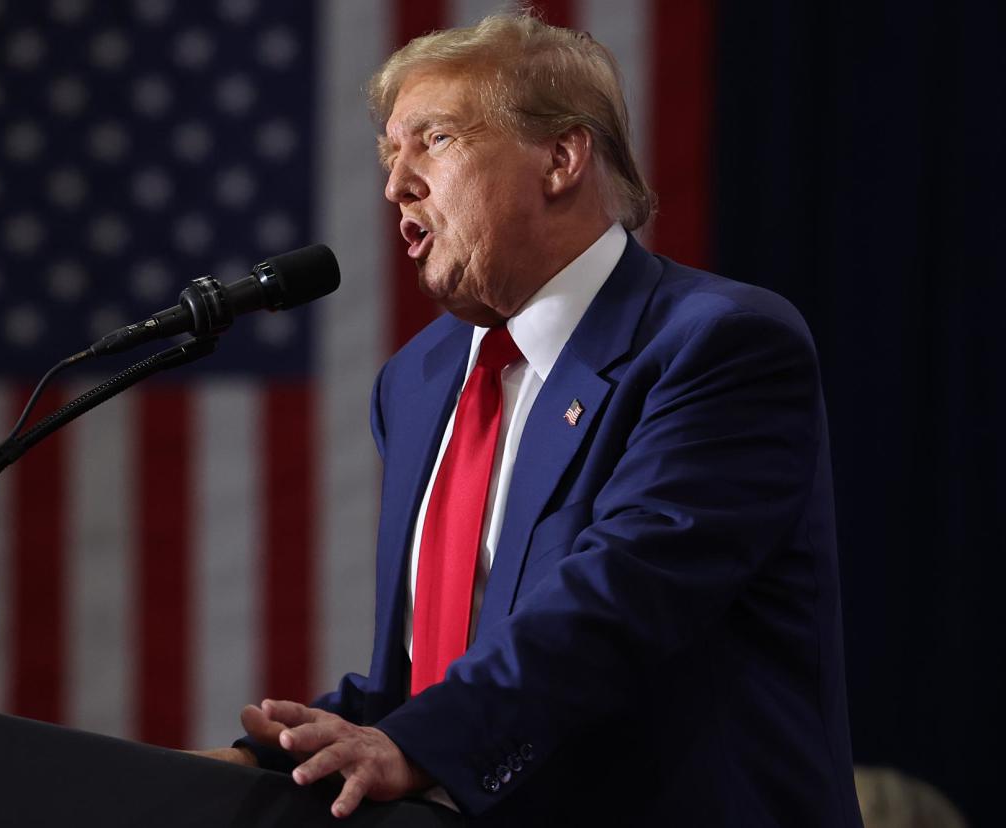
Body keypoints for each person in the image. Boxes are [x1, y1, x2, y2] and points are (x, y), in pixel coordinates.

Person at [197, 12, 862, 826]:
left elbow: (617, 599)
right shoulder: (418, 380)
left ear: (560, 158)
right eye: (388, 154)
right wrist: (273, 760)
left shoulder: (717, 344)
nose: (395, 184)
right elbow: (436, 665)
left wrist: (421, 744)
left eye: (432, 140)